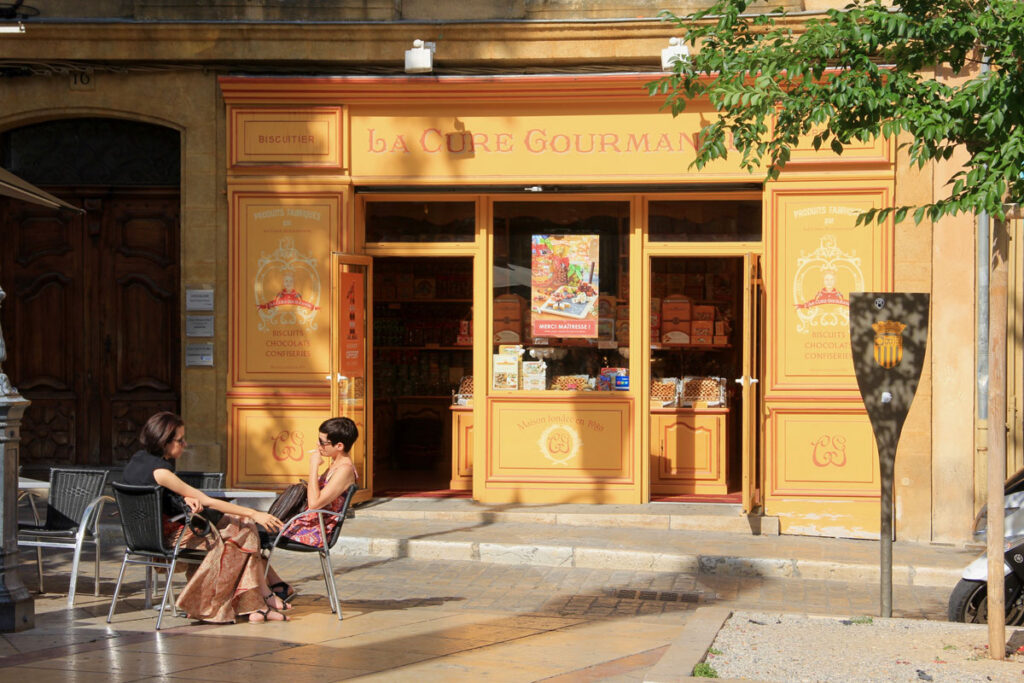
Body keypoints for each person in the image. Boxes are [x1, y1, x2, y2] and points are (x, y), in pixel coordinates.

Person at [122, 411, 292, 623]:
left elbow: (158, 497)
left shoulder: (138, 461)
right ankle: (254, 602)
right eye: (180, 440)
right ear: (164, 441)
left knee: (241, 532)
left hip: (143, 537)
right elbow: (206, 500)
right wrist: (255, 513)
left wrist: (183, 500)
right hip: (169, 540)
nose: (184, 444)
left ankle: (258, 604)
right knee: (244, 532)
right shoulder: (162, 472)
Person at [266, 417, 359, 603]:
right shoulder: (334, 464)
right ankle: (276, 587)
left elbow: (315, 504)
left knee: (252, 537)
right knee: (250, 532)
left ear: (339, 445)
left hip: (317, 531)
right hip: (307, 522)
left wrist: (313, 466)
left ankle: (270, 591)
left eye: (323, 442)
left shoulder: (345, 470)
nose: (318, 446)